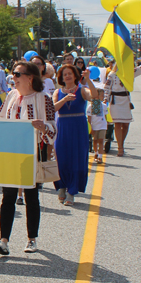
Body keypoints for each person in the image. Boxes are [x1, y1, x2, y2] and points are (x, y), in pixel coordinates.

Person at [0, 61, 56, 255]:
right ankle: (3, 240)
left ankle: (32, 239)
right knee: (8, 197)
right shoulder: (12, 96)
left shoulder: (43, 98)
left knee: (31, 197)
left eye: (17, 74)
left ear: (30, 78)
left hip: (31, 153)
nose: (13, 78)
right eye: (13, 74)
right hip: (10, 152)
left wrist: (43, 127)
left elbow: (53, 129)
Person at [53, 64, 97, 206]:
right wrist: (64, 99)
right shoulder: (58, 92)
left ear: (75, 75)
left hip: (78, 126)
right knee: (61, 158)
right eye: (65, 74)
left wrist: (88, 80)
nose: (68, 76)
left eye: (70, 73)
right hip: (63, 126)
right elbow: (52, 108)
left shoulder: (82, 90)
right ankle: (62, 186)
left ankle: (71, 192)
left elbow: (95, 97)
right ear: (61, 77)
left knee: (76, 159)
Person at [104, 61, 141, 156]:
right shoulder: (112, 74)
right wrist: (105, 100)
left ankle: (122, 142)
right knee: (117, 123)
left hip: (125, 100)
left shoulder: (130, 73)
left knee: (126, 125)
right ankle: (120, 147)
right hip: (115, 101)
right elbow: (107, 88)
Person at [87, 88, 108, 163]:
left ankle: (100, 156)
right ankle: (96, 153)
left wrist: (106, 124)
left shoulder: (104, 106)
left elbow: (105, 116)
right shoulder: (90, 106)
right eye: (102, 95)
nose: (103, 97)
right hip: (94, 126)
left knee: (101, 140)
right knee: (95, 141)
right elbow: (89, 118)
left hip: (102, 126)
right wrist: (90, 128)